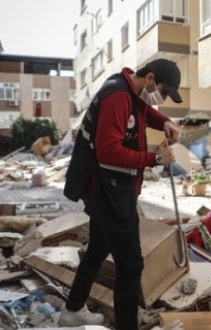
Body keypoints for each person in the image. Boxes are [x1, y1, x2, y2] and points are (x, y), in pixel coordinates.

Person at [60, 58, 182, 329]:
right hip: (111, 191)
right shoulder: (118, 97)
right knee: (130, 266)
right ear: (150, 79)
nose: (159, 99)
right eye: (162, 92)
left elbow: (144, 111)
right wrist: (156, 159)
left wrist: (164, 121)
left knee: (97, 250)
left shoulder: (127, 89)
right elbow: (108, 152)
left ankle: (73, 310)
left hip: (107, 188)